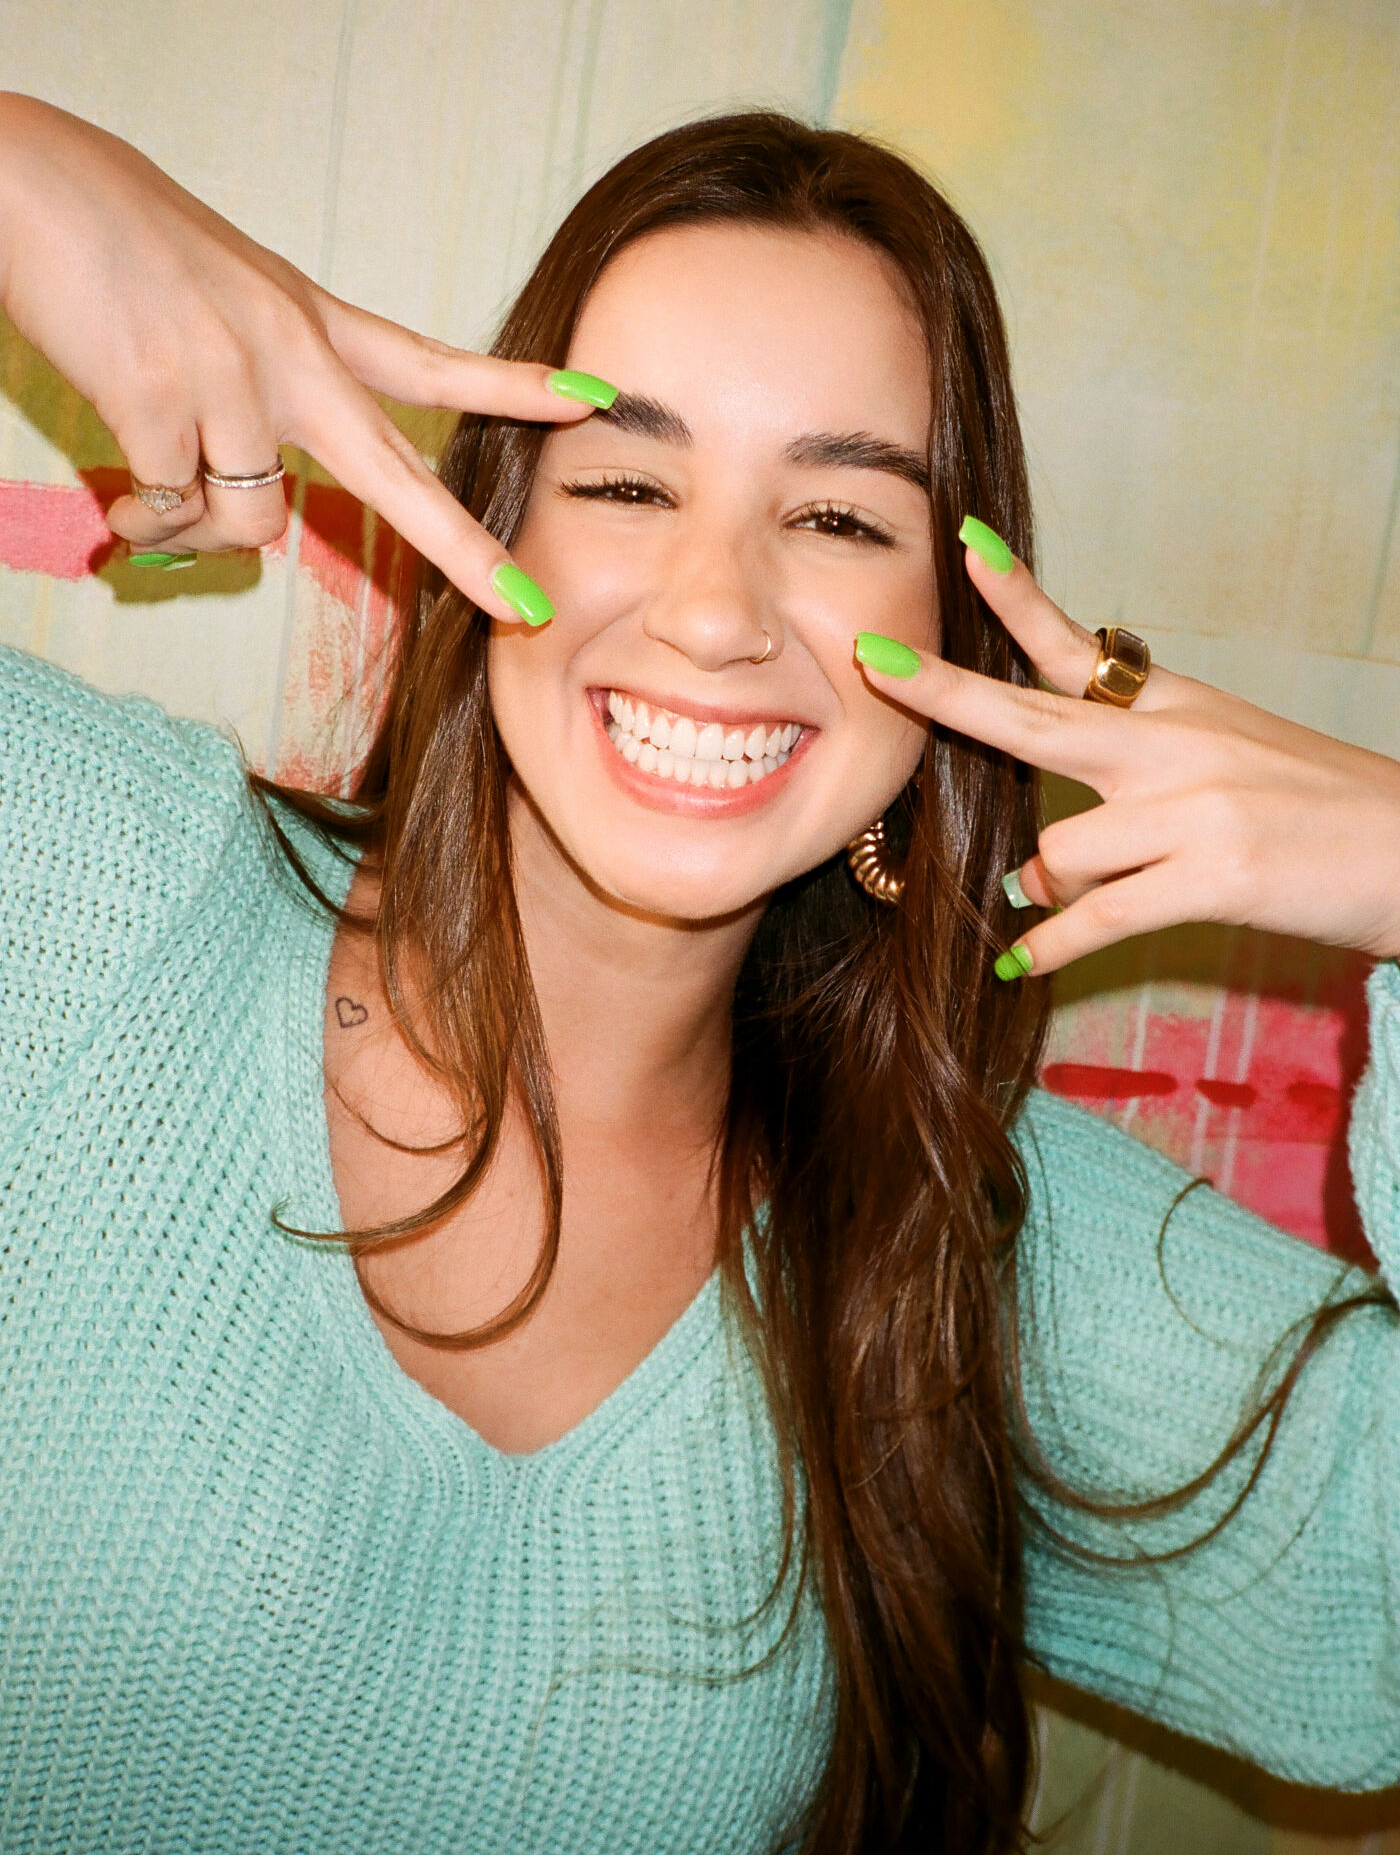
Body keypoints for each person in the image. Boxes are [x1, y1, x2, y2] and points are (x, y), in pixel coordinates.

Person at [1, 94, 1398, 1855]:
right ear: (484, 523)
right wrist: (23, 165)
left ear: (951, 653)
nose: (718, 608)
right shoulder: (95, 901)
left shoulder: (963, 1234)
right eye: (629, 482)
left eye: (836, 517)